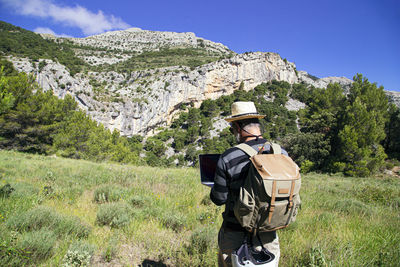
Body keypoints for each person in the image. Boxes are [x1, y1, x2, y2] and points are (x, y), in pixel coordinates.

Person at [210, 101, 287, 267]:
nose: (233, 133)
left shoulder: (229, 157)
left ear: (239, 127)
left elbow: (218, 199)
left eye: (232, 129)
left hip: (234, 233)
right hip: (269, 234)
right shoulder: (281, 153)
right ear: (257, 125)